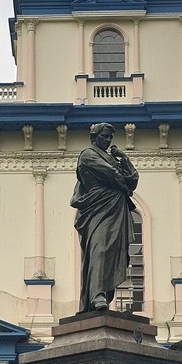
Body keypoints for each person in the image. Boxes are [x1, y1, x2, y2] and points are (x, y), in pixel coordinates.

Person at [70, 122, 140, 313]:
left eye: (110, 137)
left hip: (116, 208)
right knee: (99, 248)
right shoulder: (88, 155)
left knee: (112, 253)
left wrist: (124, 159)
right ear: (94, 137)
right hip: (98, 209)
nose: (108, 140)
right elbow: (112, 175)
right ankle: (96, 294)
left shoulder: (112, 158)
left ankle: (103, 293)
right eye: (104, 136)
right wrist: (122, 179)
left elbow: (132, 179)